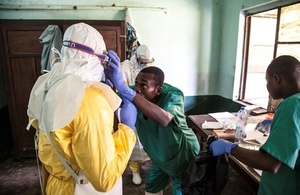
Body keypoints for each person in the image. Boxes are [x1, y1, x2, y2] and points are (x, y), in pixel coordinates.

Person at [27, 23, 137, 195]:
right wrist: (128, 130)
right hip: (80, 188)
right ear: (96, 59)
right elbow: (104, 179)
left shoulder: (46, 83)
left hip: (56, 184)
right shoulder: (91, 101)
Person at [104, 53, 200, 195]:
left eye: (143, 86)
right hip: (159, 155)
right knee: (151, 188)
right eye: (136, 84)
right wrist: (105, 83)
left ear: (158, 90)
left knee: (181, 190)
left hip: (182, 155)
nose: (137, 89)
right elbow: (113, 98)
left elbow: (164, 119)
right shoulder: (138, 92)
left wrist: (125, 91)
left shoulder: (173, 95)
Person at [209, 55, 300, 195]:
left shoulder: (291, 105)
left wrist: (230, 148)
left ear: (276, 79)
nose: (267, 85)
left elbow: (271, 163)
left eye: (267, 80)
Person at [121, 44, 154, 185]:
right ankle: (135, 171)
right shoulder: (126, 68)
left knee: (149, 140)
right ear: (136, 58)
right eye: (143, 63)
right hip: (131, 109)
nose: (145, 65)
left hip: (148, 108)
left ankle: (151, 167)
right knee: (133, 141)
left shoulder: (153, 68)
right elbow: (121, 88)